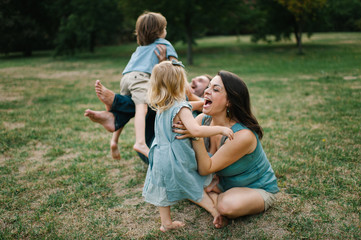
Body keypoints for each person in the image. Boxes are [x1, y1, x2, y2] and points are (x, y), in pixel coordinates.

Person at [173, 70, 279, 223]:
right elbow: (175, 123)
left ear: (229, 101)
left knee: (227, 206)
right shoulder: (203, 120)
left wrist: (196, 136)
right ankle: (210, 193)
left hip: (256, 189)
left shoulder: (243, 135)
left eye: (215, 89)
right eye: (208, 87)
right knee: (177, 178)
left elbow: (205, 169)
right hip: (223, 183)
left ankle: (212, 197)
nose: (207, 91)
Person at [142, 61, 234, 232]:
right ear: (179, 84)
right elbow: (196, 130)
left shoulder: (163, 105)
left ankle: (166, 223)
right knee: (193, 185)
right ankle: (216, 213)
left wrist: (200, 104)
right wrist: (221, 128)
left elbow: (189, 106)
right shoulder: (180, 107)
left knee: (163, 189)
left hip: (160, 156)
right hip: (176, 157)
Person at [92, 11, 178, 159]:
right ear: (159, 31)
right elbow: (174, 68)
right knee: (141, 107)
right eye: (164, 27)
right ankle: (140, 142)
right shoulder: (164, 44)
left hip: (126, 77)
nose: (166, 30)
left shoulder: (140, 49)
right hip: (141, 78)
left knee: (126, 109)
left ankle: (114, 139)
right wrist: (166, 62)